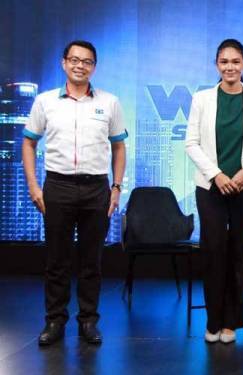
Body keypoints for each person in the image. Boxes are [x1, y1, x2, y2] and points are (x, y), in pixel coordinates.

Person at [22, 40, 127, 346]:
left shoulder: (109, 102)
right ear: (63, 63)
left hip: (97, 187)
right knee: (57, 260)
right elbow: (29, 143)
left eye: (87, 61)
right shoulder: (45, 102)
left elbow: (119, 147)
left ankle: (88, 322)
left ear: (94, 66)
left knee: (91, 261)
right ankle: (55, 321)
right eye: (75, 60)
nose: (80, 66)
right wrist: (33, 185)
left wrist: (116, 187)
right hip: (58, 185)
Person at [185, 39, 243, 344]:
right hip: (210, 187)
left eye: (236, 62)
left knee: (239, 255)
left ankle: (232, 324)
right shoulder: (202, 98)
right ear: (216, 65)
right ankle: (213, 321)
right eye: (224, 62)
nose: (230, 67)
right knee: (213, 253)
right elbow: (191, 144)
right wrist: (218, 175)